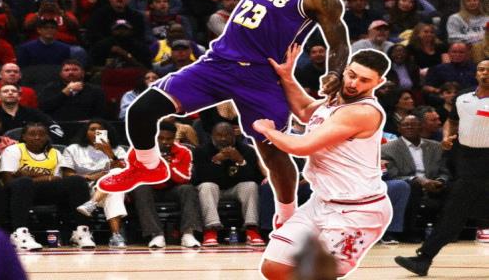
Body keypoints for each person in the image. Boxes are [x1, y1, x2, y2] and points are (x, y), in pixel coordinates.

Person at [98, 0, 350, 235]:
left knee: (273, 151)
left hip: (261, 76)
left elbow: (339, 41)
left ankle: (288, 215)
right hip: (217, 63)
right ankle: (147, 165)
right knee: (142, 110)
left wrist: (334, 72)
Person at [253, 48, 392, 279]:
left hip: (358, 211)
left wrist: (268, 131)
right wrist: (287, 76)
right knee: (274, 267)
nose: (354, 83)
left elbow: (302, 147)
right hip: (321, 202)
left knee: (318, 274)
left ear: (379, 82)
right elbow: (304, 110)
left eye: (364, 80)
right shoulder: (334, 101)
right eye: (351, 75)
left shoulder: (362, 112)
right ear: (345, 70)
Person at [395, 60, 489, 276]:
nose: (485, 73)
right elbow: (452, 122)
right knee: (457, 211)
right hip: (466, 159)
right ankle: (424, 259)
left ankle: (424, 258)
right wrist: (447, 137)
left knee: (456, 210)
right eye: (481, 70)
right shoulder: (463, 97)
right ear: (476, 74)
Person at [0, 123, 95, 250]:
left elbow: (57, 180)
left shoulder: (55, 153)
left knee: (77, 181)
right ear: (24, 137)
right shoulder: (13, 150)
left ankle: (81, 232)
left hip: (46, 192)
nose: (37, 137)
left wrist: (30, 175)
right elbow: (8, 181)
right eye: (32, 134)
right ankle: (20, 233)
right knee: (24, 182)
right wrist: (45, 177)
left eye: (41, 134)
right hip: (18, 193)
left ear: (47, 137)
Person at [193, 122, 264, 246]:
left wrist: (240, 160)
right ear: (212, 136)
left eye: (227, 135)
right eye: (219, 135)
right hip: (213, 190)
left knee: (250, 185)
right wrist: (216, 160)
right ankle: (211, 231)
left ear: (234, 135)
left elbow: (254, 177)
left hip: (235, 189)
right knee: (207, 186)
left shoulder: (247, 150)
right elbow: (201, 178)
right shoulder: (201, 151)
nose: (223, 139)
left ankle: (251, 230)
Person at [132, 122, 201, 248]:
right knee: (140, 188)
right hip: (151, 189)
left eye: (169, 139)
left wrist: (169, 167)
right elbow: (136, 176)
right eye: (161, 138)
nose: (164, 142)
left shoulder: (184, 151)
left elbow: (186, 178)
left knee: (188, 189)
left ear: (174, 138)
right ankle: (156, 234)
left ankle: (188, 233)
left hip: (173, 189)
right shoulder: (141, 150)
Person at [381, 115, 450, 240]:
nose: (410, 127)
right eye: (406, 125)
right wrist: (418, 180)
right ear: (399, 128)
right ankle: (409, 232)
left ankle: (450, 232)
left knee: (456, 187)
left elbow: (444, 170)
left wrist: (440, 181)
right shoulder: (387, 149)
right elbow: (392, 175)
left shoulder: (436, 146)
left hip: (433, 184)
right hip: (411, 184)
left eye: (414, 124)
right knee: (413, 185)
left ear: (421, 127)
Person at [61, 120, 128, 248]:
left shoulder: (117, 150)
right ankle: (116, 236)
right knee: (114, 187)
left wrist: (109, 152)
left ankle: (92, 204)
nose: (96, 132)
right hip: (82, 189)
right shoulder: (73, 149)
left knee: (116, 176)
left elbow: (125, 171)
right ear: (85, 132)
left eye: (100, 129)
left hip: (108, 188)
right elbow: (67, 174)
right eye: (92, 129)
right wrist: (91, 177)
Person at [39, 59, 106, 122]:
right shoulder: (50, 88)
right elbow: (43, 108)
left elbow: (101, 114)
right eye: (66, 70)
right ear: (61, 74)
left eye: (75, 69)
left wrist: (92, 124)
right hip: (58, 126)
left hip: (86, 126)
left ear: (83, 73)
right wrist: (65, 92)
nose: (70, 72)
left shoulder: (96, 90)